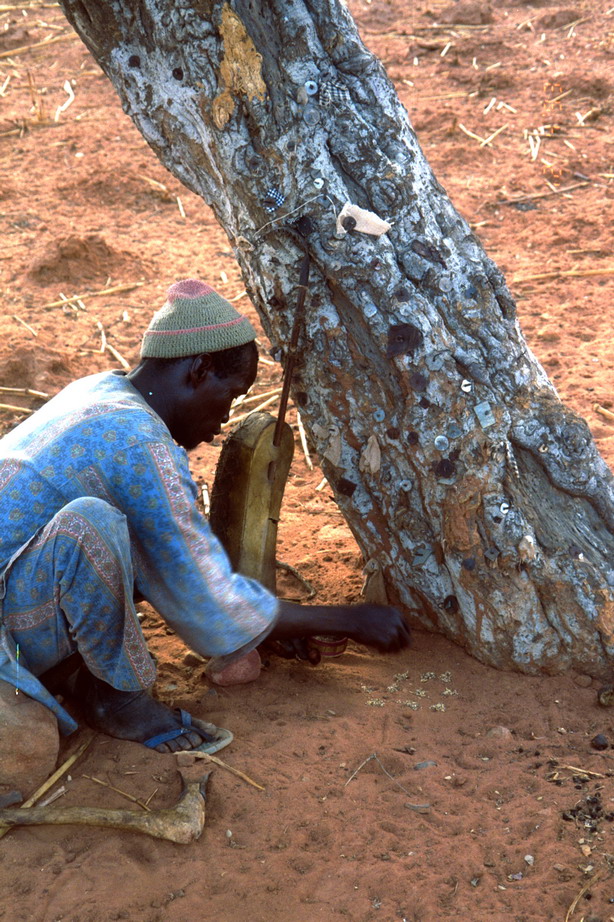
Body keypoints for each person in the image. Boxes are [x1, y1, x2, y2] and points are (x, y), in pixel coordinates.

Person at [0, 279, 410, 755]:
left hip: (17, 585)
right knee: (91, 526)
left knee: (121, 527)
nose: (221, 424)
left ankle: (73, 671)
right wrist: (352, 620)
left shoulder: (98, 391)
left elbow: (167, 558)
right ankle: (116, 698)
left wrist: (266, 627)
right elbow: (203, 594)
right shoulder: (138, 442)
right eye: (231, 395)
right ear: (200, 368)